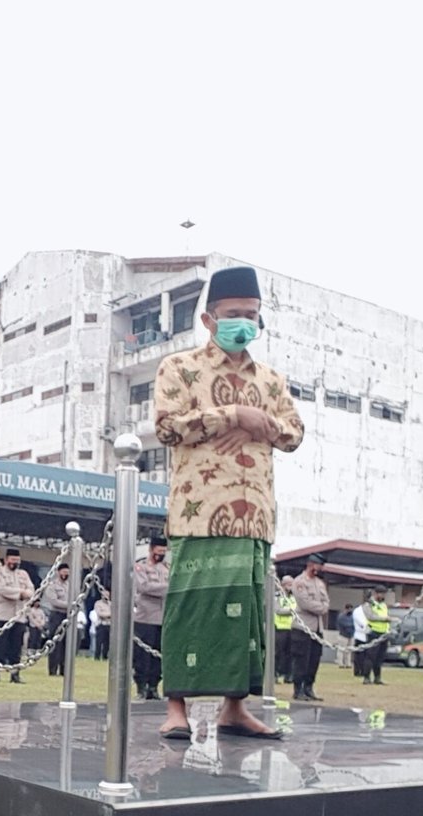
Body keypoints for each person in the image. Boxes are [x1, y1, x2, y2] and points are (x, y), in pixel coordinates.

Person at [153, 264, 304, 739]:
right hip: (199, 510)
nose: (245, 323)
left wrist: (265, 424)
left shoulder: (272, 380)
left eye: (252, 315)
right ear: (209, 319)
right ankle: (176, 708)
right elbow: (167, 425)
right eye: (234, 314)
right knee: (190, 609)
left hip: (254, 514)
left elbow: (294, 433)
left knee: (245, 619)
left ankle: (233, 708)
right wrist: (231, 414)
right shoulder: (179, 368)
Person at [132, 536, 169, 701]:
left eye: (163, 552)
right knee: (142, 656)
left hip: (163, 619)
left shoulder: (167, 569)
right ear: (151, 549)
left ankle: (154, 687)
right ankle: (141, 687)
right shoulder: (141, 567)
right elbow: (144, 587)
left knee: (158, 656)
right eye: (158, 551)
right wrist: (168, 588)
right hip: (145, 617)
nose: (160, 554)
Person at [0, 547, 32, 684]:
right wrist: (21, 593)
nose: (15, 563)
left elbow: (31, 590)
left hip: (19, 616)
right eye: (13, 560)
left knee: (16, 647)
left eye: (17, 561)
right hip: (2, 615)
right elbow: (2, 590)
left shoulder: (23, 574)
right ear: (6, 559)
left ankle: (15, 674)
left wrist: (27, 593)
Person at [290, 554, 329, 702]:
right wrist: (321, 608)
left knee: (314, 660)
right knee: (301, 660)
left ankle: (309, 688)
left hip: (317, 629)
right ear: (311, 565)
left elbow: (327, 602)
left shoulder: (319, 583)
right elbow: (304, 603)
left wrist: (321, 607)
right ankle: (298, 689)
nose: (320, 569)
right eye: (318, 566)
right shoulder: (300, 582)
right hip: (302, 627)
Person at [43, 562, 71, 675]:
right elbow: (54, 601)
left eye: (67, 573)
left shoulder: (71, 586)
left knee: (66, 643)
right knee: (55, 642)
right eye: (63, 572)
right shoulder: (52, 585)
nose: (65, 574)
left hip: (68, 616)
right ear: (58, 572)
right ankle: (53, 669)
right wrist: (69, 605)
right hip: (56, 615)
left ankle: (64, 669)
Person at [358, 587, 390, 685]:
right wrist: (385, 619)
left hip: (383, 633)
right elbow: (371, 617)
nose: (383, 596)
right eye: (381, 594)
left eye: (384, 594)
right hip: (373, 633)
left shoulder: (384, 605)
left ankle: (377, 677)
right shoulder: (369, 604)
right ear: (375, 593)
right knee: (370, 656)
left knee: (380, 657)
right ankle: (366, 677)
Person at [273, 575, 296, 683]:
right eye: (289, 584)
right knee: (278, 653)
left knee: (290, 654)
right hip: (280, 628)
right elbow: (278, 610)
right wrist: (291, 611)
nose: (291, 587)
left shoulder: (293, 597)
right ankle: (274, 674)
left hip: (292, 628)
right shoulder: (277, 597)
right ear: (283, 585)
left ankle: (288, 675)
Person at [92, 594, 112, 660]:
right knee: (99, 642)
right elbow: (100, 614)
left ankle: (105, 657)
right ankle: (97, 657)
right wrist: (109, 615)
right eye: (104, 595)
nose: (106, 596)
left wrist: (107, 614)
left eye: (107, 594)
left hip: (109, 625)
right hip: (101, 625)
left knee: (107, 643)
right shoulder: (98, 603)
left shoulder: (110, 604)